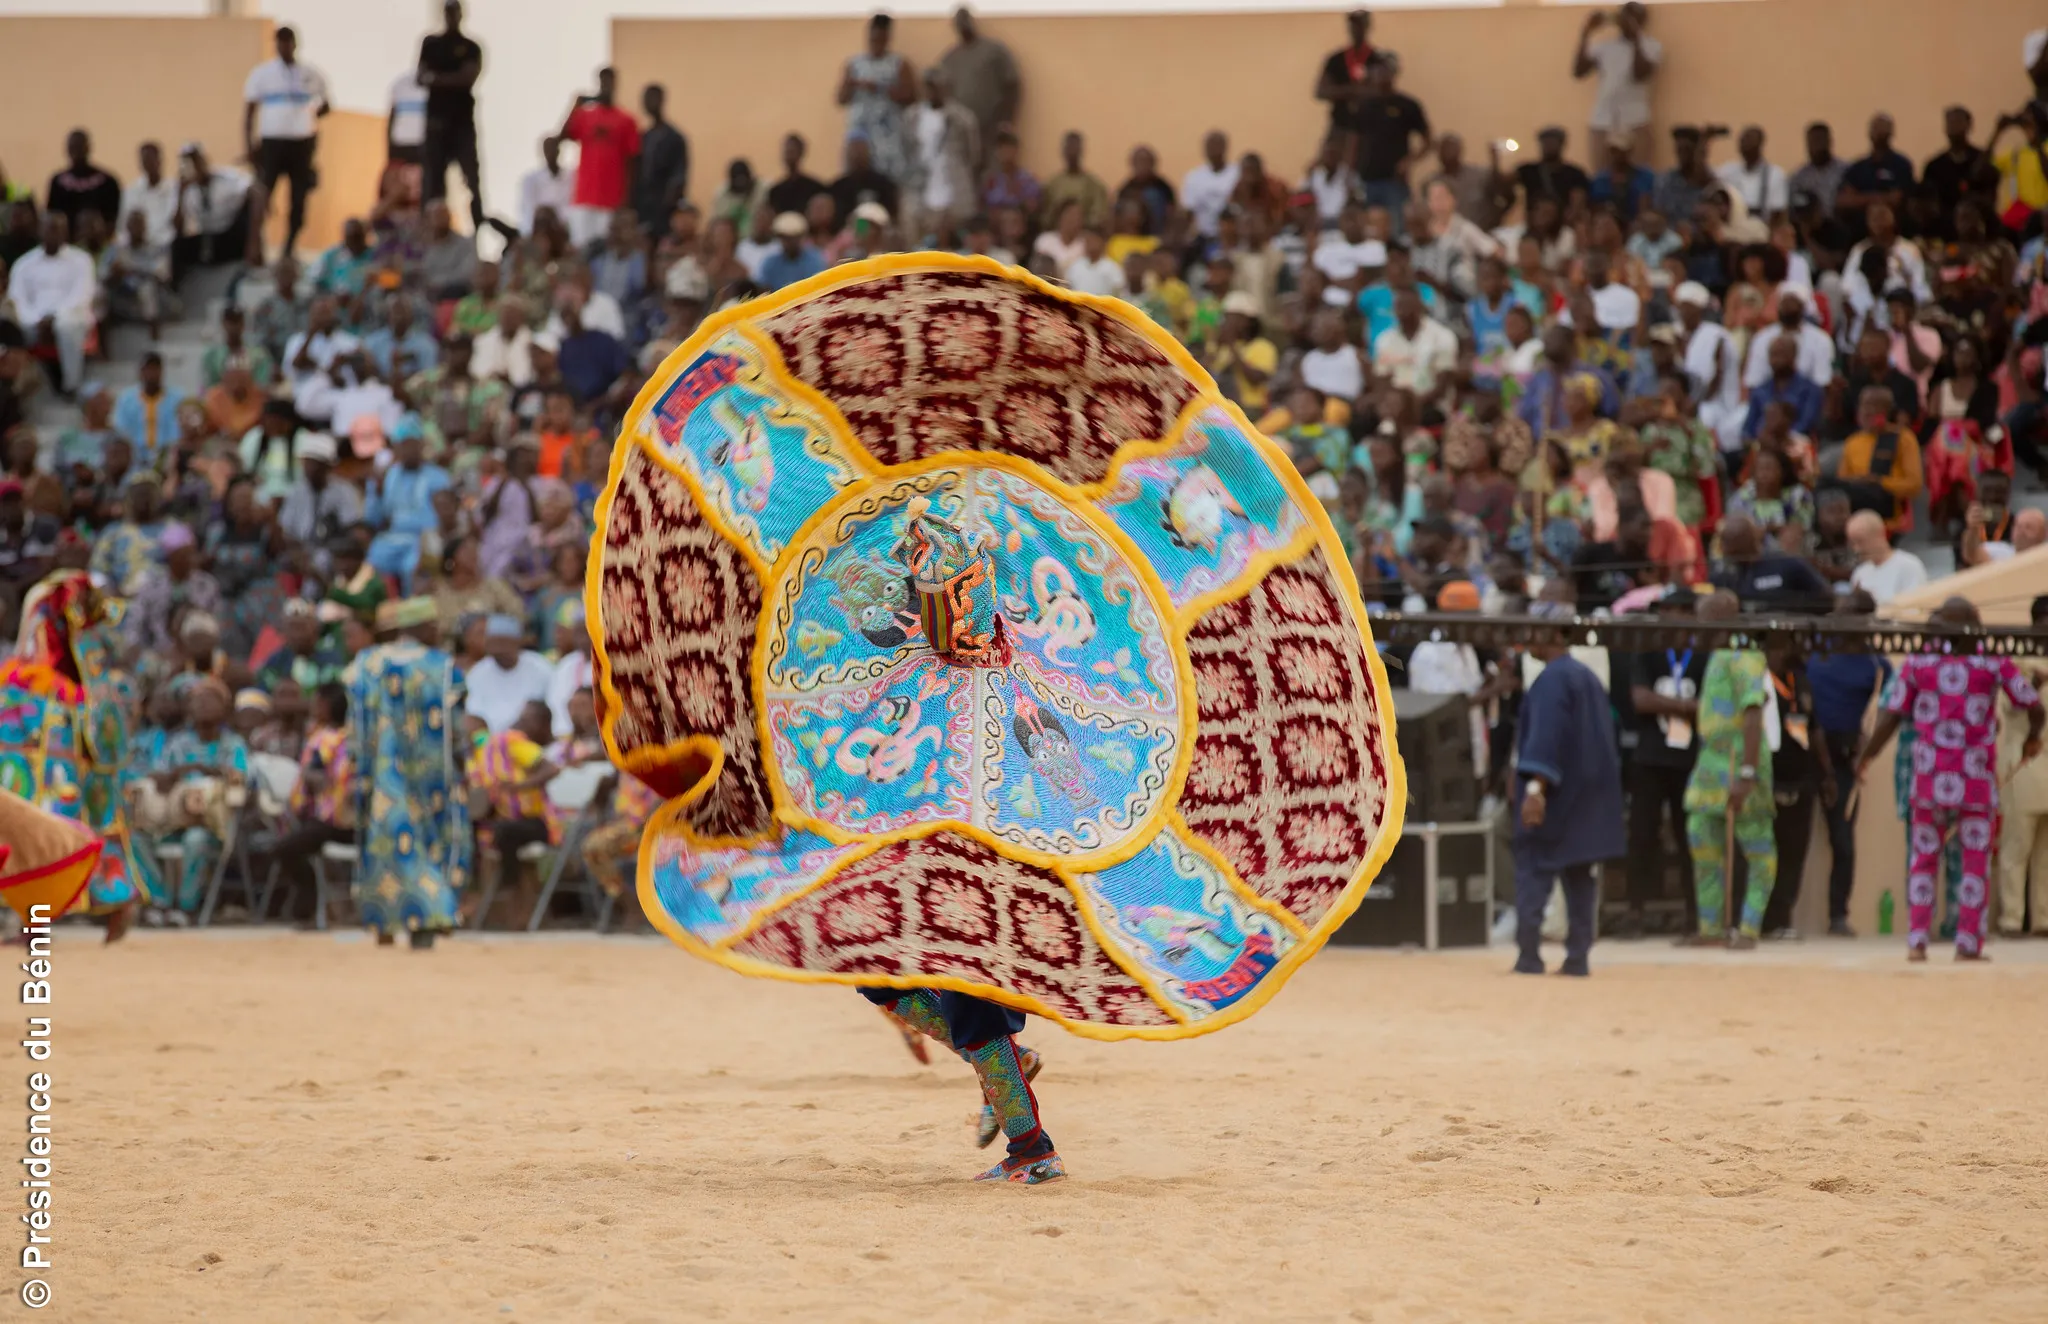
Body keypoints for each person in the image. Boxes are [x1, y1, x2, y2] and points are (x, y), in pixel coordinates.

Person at [1858, 598, 2044, 960]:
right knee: (1975, 864)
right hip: (1975, 784)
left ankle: (1917, 942)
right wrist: (2032, 739)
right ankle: (1967, 944)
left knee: (1923, 861)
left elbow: (1890, 717)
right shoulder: (1993, 664)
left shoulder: (1918, 664)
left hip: (1929, 781)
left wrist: (1867, 756)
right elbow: (2034, 705)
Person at [345, 598, 469, 947]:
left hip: (381, 776)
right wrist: (462, 762)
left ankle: (383, 920)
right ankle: (428, 916)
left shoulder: (365, 665)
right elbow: (455, 730)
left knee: (384, 845)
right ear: (423, 626)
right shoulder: (442, 667)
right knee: (426, 844)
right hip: (429, 779)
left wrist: (357, 764)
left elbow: (353, 727)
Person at [1512, 624, 1625, 976]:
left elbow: (1546, 737)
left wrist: (1535, 791)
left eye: (1535, 634)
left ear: (1555, 637)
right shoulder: (1587, 677)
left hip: (1557, 797)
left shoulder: (1551, 681)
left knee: (1535, 871)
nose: (1529, 640)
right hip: (1589, 799)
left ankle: (1529, 956)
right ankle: (1578, 957)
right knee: (1581, 880)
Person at [1680, 592, 1774, 949]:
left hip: (1739, 759)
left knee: (1758, 849)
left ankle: (1748, 928)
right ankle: (1710, 927)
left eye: (1704, 617)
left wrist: (1747, 773)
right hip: (1709, 763)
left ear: (1723, 616)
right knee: (1702, 839)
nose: (1698, 626)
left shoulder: (1746, 655)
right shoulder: (1716, 655)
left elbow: (1753, 714)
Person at [1755, 638, 1835, 938]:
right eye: (1770, 648)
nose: (1776, 653)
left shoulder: (1800, 682)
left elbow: (1814, 729)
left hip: (1802, 781)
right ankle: (1758, 919)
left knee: (1794, 854)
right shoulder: (1757, 683)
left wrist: (1827, 774)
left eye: (1779, 647)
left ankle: (1781, 918)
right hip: (1767, 780)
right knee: (1765, 851)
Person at [243, 26, 330, 260]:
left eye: (288, 42)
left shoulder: (311, 74)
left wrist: (307, 115)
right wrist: (249, 145)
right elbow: (249, 112)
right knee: (263, 194)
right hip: (272, 143)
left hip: (301, 144)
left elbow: (326, 105)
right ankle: (256, 243)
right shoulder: (263, 74)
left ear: (294, 44)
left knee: (298, 197)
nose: (285, 47)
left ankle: (289, 246)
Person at [1997, 597, 2048, 936]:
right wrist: (2035, 685)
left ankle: (2044, 920)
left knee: (2047, 852)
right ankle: (2012, 918)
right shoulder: (2018, 660)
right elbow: (2009, 707)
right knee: (2017, 844)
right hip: (2024, 759)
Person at [10, 212, 96, 396]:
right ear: (39, 231)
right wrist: (37, 320)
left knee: (67, 327)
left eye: (58, 230)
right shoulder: (24, 264)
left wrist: (54, 318)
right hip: (32, 321)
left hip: (71, 316)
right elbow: (17, 300)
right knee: (10, 330)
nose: (53, 234)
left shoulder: (82, 260)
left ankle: (71, 386)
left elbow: (82, 295)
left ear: (65, 233)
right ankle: (16, 389)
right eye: (49, 229)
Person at [559, 67, 641, 249]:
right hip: (584, 197)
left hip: (611, 200)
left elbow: (632, 162)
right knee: (581, 249)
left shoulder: (626, 120)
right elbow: (562, 137)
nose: (606, 86)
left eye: (610, 82)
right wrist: (576, 104)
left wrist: (626, 200)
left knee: (607, 250)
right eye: (603, 81)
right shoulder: (584, 116)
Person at [1573, 2, 1661, 167]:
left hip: (1635, 119)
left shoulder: (1651, 46)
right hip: (1602, 120)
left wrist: (1635, 38)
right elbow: (1578, 72)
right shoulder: (1605, 46)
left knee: (1639, 175)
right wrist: (1586, 32)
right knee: (1601, 176)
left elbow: (1640, 74)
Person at [936, 5, 1020, 172]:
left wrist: (1006, 119)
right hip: (961, 134)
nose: (963, 26)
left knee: (992, 177)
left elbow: (1012, 83)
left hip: (991, 128)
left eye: (965, 21)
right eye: (959, 23)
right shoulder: (950, 58)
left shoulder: (994, 51)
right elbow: (940, 93)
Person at [1352, 53, 1430, 231]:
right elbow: (1354, 141)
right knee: (1369, 231)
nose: (1380, 74)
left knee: (1398, 231)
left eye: (1384, 70)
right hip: (1366, 180)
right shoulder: (1364, 106)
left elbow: (1428, 140)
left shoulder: (1408, 105)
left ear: (1394, 73)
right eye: (1376, 70)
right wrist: (1351, 174)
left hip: (1394, 182)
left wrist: (1409, 161)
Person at [840, 14, 916, 187]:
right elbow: (840, 98)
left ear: (887, 38)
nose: (875, 43)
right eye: (873, 39)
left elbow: (911, 97)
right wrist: (851, 84)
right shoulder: (854, 64)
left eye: (880, 39)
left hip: (888, 137)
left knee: (888, 184)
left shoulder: (899, 64)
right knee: (857, 181)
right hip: (860, 135)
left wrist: (880, 88)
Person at [909, 69, 980, 244]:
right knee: (922, 247)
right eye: (930, 87)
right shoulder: (912, 117)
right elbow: (906, 153)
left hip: (956, 194)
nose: (934, 92)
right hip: (922, 194)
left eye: (938, 87)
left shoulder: (963, 118)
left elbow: (974, 155)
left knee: (958, 247)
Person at [463, 614, 552, 733]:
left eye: (502, 641)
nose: (498, 647)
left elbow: (549, 709)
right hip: (490, 742)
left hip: (530, 740)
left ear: (517, 641)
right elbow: (474, 715)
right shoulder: (477, 673)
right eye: (493, 641)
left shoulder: (541, 667)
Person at [1843, 510, 1925, 607]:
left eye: (1861, 541)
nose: (1857, 549)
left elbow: (1915, 606)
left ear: (1879, 535)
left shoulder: (1909, 566)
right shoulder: (1859, 573)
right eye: (1853, 543)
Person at [516, 137, 572, 238]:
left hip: (563, 229)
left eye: (553, 148)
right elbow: (528, 208)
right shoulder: (531, 179)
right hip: (539, 228)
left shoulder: (571, 177)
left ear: (558, 151)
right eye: (547, 149)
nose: (550, 153)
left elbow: (571, 207)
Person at [759, 212, 825, 291]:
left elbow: (818, 287)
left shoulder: (814, 260)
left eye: (794, 238)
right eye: (786, 238)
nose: (790, 242)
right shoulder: (771, 263)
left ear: (802, 237)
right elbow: (764, 290)